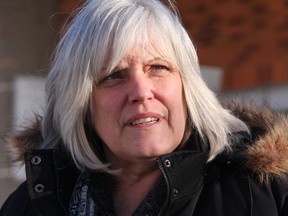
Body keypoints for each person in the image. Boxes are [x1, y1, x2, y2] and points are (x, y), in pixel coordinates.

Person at [1, 0, 288, 215]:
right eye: (114, 76)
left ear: (188, 86)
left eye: (158, 68)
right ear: (81, 102)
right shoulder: (32, 204)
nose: (141, 92)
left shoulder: (268, 190)